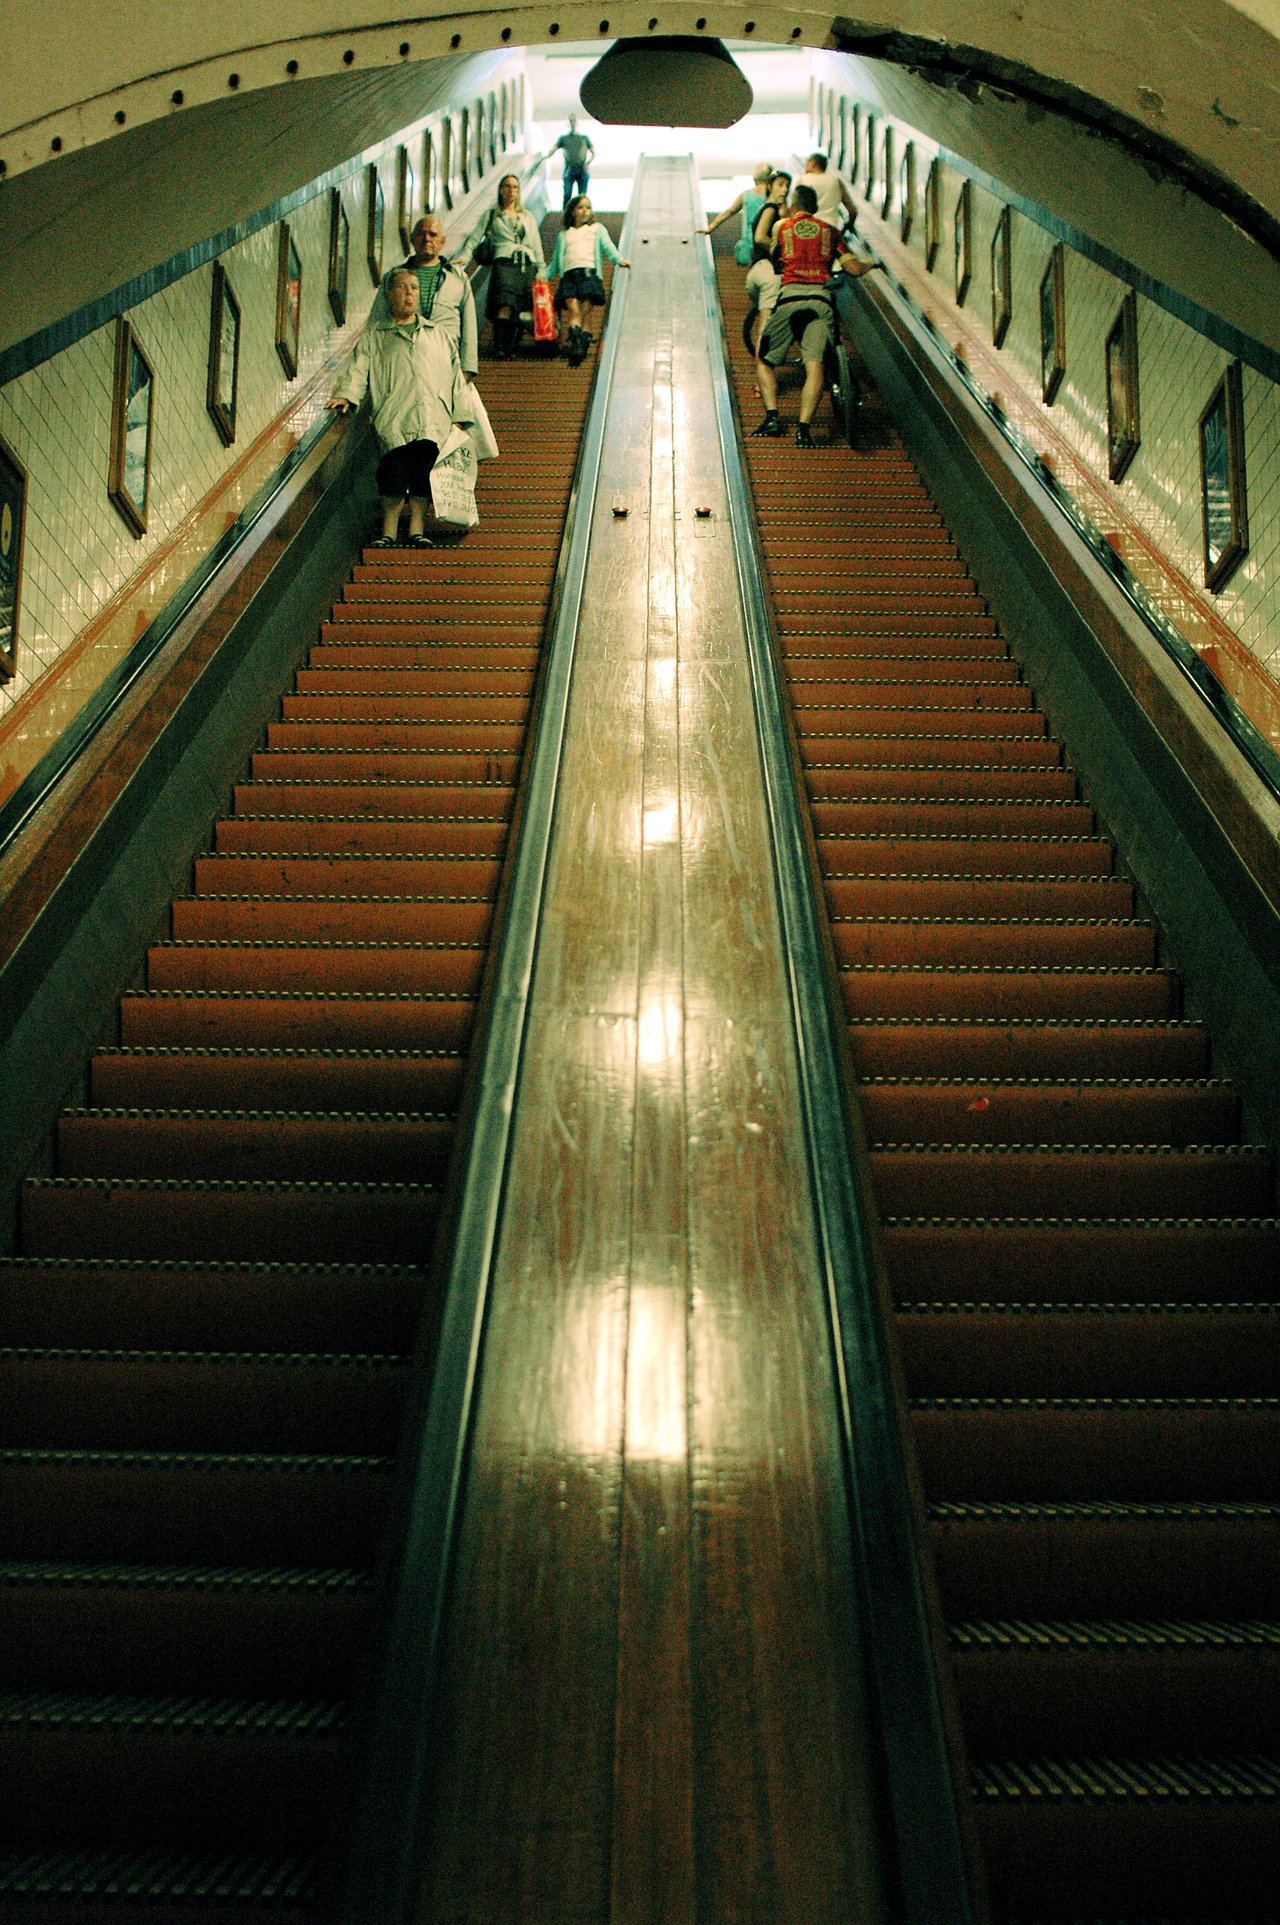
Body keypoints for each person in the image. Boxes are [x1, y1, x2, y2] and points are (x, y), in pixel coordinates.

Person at [327, 267, 476, 546]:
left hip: (433, 418)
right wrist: (346, 395)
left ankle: (417, 531)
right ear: (388, 294)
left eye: (415, 288)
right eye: (402, 287)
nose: (409, 293)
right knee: (392, 477)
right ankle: (388, 533)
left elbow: (457, 376)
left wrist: (459, 417)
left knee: (423, 477)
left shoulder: (438, 334)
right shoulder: (376, 335)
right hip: (393, 418)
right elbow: (358, 370)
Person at [753, 184, 877, 448]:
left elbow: (776, 258)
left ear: (794, 206)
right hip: (820, 302)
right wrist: (869, 264)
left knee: (764, 360)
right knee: (815, 366)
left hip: (788, 300)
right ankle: (804, 430)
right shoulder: (831, 233)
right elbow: (853, 268)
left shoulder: (781, 227)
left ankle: (773, 417)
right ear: (816, 208)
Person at [369, 212, 479, 379]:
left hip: (446, 362)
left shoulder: (457, 278)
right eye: (421, 234)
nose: (427, 238)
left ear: (442, 242)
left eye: (433, 234)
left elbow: (469, 325)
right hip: (404, 362)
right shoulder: (393, 278)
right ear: (413, 240)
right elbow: (375, 322)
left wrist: (468, 368)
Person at [455, 173, 545, 359]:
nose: (511, 191)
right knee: (504, 304)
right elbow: (474, 238)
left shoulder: (526, 216)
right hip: (504, 263)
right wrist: (464, 257)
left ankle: (511, 348)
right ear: (500, 190)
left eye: (515, 187)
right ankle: (499, 347)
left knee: (520, 308)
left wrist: (541, 268)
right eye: (507, 186)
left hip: (525, 265)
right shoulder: (492, 214)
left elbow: (535, 244)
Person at [541, 195, 631, 366]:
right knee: (574, 310)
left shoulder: (597, 229)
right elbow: (554, 262)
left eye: (588, 208)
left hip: (589, 275)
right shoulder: (564, 234)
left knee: (586, 311)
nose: (584, 211)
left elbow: (608, 247)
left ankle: (582, 345)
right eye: (581, 207)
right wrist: (543, 276)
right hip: (569, 277)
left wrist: (620, 260)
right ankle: (577, 343)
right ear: (573, 211)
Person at [742, 169, 790, 353]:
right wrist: (779, 248)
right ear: (769, 186)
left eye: (787, 186)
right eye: (780, 185)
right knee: (766, 326)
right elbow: (760, 236)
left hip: (757, 271)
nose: (784, 190)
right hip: (769, 271)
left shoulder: (773, 209)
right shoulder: (770, 208)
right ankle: (761, 376)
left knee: (768, 320)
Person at [699, 163, 773, 265]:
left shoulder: (746, 195)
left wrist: (711, 227)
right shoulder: (773, 196)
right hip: (767, 240)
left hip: (750, 241)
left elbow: (729, 212)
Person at [795, 151, 857, 231]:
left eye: (807, 162)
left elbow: (794, 207)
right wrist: (848, 225)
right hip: (830, 229)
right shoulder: (835, 181)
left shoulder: (802, 180)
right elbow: (853, 211)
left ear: (813, 163)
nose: (805, 165)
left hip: (808, 229)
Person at [551, 115, 595, 207]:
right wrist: (546, 156)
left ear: (577, 122)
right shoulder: (563, 138)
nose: (572, 122)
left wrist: (588, 162)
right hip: (569, 168)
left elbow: (593, 153)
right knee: (567, 194)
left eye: (574, 120)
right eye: (570, 121)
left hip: (582, 169)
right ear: (568, 123)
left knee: (582, 197)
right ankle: (565, 216)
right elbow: (554, 148)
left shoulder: (584, 138)